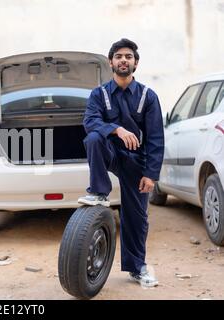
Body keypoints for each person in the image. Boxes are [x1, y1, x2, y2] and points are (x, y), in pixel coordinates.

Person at [78, 38, 164, 287]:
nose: (123, 60)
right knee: (93, 137)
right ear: (111, 62)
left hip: (136, 161)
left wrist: (151, 174)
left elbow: (156, 137)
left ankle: (137, 268)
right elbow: (90, 121)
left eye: (128, 56)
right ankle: (98, 191)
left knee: (137, 217)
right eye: (118, 56)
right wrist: (116, 129)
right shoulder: (99, 94)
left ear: (135, 62)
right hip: (110, 151)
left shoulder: (148, 96)